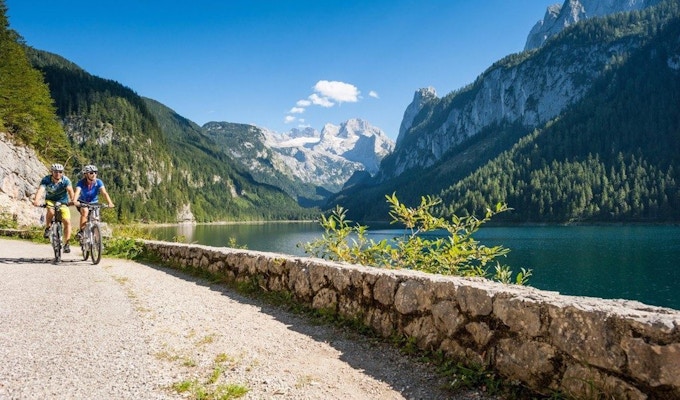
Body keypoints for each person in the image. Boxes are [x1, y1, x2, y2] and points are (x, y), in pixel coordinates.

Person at [33, 163, 76, 253]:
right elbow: (41, 190)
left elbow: (70, 191)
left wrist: (73, 200)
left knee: (67, 221)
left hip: (63, 202)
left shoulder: (65, 180)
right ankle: (48, 228)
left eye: (60, 172)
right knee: (51, 212)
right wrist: (36, 200)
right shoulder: (46, 179)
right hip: (50, 200)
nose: (58, 174)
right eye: (56, 172)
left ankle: (67, 244)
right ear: (52, 172)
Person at [73, 165, 114, 239]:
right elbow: (77, 192)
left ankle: (98, 244)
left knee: (96, 221)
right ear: (86, 174)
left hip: (94, 203)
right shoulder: (81, 183)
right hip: (83, 202)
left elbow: (104, 193)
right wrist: (75, 201)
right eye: (91, 173)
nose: (94, 174)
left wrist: (110, 203)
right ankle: (81, 232)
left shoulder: (98, 182)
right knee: (85, 211)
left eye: (95, 172)